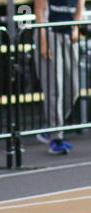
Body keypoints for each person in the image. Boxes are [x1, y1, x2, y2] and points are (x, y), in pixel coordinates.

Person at [34, 0, 84, 154]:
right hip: (49, 33)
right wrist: (43, 40)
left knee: (73, 88)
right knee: (54, 87)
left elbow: (80, 8)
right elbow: (40, 11)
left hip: (68, 35)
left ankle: (52, 127)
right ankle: (56, 138)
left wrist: (75, 28)